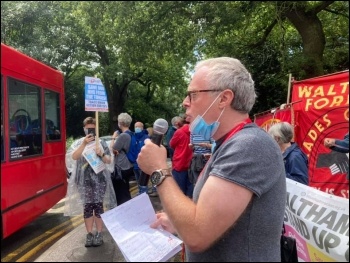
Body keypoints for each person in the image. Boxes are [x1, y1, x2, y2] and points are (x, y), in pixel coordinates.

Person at [137, 57, 286, 261]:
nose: (185, 102)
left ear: (224, 99)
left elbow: (198, 234)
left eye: (193, 94)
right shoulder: (229, 143)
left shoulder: (249, 145)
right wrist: (177, 223)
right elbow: (211, 218)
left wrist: (158, 170)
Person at [64, 117, 117, 247]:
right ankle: (89, 234)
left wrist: (102, 154)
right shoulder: (78, 143)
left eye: (92, 128)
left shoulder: (101, 143)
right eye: (88, 128)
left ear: (96, 128)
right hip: (83, 182)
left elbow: (109, 161)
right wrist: (84, 144)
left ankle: (99, 233)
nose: (90, 131)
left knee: (98, 206)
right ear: (84, 129)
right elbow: (73, 157)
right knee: (87, 207)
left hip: (100, 180)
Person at [110, 113, 134, 205]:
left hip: (121, 166)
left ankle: (124, 210)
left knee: (121, 192)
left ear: (120, 123)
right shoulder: (131, 134)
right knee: (125, 189)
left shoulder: (123, 136)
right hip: (129, 164)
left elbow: (113, 148)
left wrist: (113, 137)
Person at [169, 122, 194, 198]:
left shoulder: (179, 132)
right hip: (191, 163)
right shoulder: (195, 132)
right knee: (190, 188)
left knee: (179, 190)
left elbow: (171, 144)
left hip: (179, 163)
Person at [133, 121, 150, 195]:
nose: (137, 128)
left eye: (138, 127)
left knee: (143, 181)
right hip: (135, 163)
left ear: (142, 128)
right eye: (135, 127)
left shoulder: (146, 137)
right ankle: (140, 193)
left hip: (143, 163)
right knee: (138, 180)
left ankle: (144, 194)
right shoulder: (133, 136)